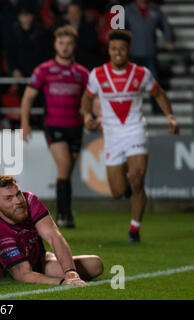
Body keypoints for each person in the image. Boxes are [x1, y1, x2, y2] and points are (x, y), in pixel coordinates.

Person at [81, 30, 180, 242]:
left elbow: (159, 94)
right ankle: (128, 188)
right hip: (112, 135)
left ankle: (134, 229)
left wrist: (170, 117)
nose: (118, 53)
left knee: (137, 180)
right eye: (114, 48)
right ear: (108, 50)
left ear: (128, 51)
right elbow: (87, 98)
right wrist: (88, 115)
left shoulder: (141, 73)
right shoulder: (97, 74)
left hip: (135, 130)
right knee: (117, 191)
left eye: (122, 49)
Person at [0, 174, 103, 285]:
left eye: (18, 194)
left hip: (38, 259)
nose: (18, 201)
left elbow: (53, 236)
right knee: (21, 272)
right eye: (9, 198)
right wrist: (62, 282)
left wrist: (71, 273)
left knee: (95, 265)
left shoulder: (30, 200)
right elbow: (23, 274)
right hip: (15, 266)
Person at [21, 25, 89, 228]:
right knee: (64, 165)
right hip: (54, 125)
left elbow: (90, 99)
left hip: (76, 127)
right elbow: (28, 97)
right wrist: (25, 122)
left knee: (66, 172)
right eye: (61, 43)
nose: (65, 47)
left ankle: (64, 213)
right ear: (55, 44)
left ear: (74, 46)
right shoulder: (44, 70)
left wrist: (92, 116)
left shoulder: (82, 73)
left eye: (69, 43)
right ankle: (63, 215)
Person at [125, 0, 175, 115]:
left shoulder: (155, 10)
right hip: (133, 53)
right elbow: (118, 28)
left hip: (150, 53)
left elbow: (165, 25)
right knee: (130, 84)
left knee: (154, 82)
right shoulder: (128, 10)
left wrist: (169, 39)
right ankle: (129, 109)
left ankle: (157, 108)